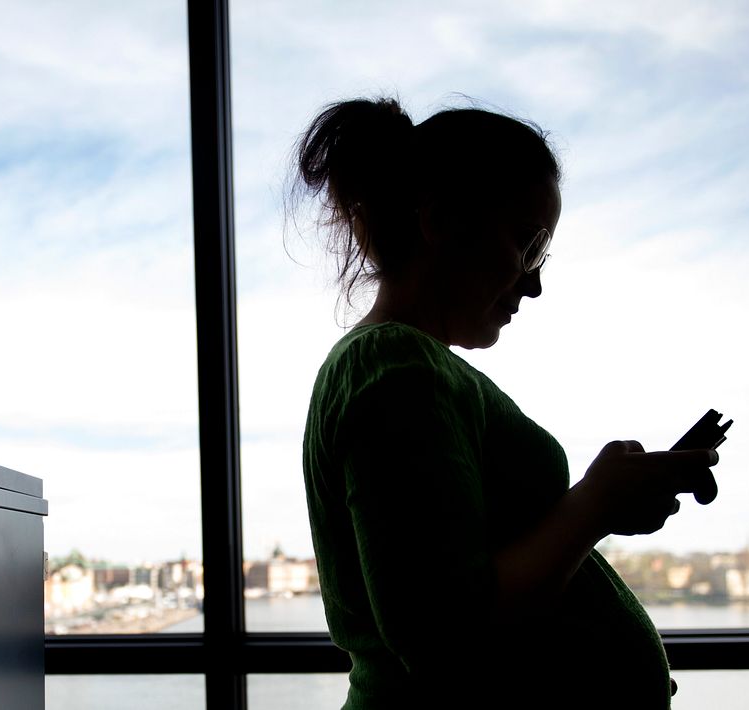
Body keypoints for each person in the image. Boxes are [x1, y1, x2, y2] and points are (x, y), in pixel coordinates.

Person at [296, 97, 719, 708]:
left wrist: (602, 505)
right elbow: (448, 641)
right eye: (528, 246)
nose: (535, 283)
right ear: (440, 221)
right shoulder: (395, 368)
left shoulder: (410, 369)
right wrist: (594, 506)